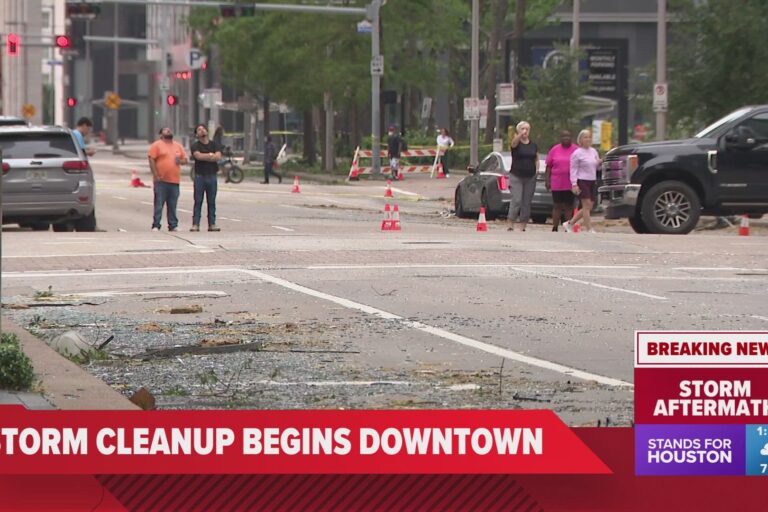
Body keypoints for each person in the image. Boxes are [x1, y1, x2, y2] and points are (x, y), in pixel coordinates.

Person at [148, 127, 188, 232]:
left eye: (170, 129)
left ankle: (173, 225)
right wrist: (155, 174)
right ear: (161, 134)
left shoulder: (178, 146)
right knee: (159, 204)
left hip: (174, 180)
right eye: (165, 130)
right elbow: (151, 158)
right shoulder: (157, 145)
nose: (169, 131)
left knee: (173, 204)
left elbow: (185, 159)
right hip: (161, 180)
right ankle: (156, 225)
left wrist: (181, 161)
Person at [563, 129, 601, 233]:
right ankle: (589, 228)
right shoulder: (577, 153)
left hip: (592, 180)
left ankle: (569, 223)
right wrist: (574, 184)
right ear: (581, 139)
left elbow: (596, 166)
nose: (588, 139)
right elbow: (573, 169)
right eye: (585, 137)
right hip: (582, 180)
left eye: (589, 137)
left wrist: (599, 163)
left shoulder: (593, 151)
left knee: (589, 206)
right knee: (586, 204)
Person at [506, 121, 539, 232]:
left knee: (526, 201)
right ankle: (511, 222)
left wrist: (537, 170)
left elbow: (536, 158)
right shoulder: (516, 143)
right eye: (523, 129)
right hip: (516, 175)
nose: (525, 131)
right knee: (517, 199)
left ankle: (523, 224)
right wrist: (519, 135)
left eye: (527, 129)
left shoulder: (533, 145)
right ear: (518, 130)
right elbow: (513, 143)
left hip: (530, 176)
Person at [190, 123, 223, 232]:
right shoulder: (195, 145)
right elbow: (198, 156)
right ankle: (195, 224)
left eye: (203, 129)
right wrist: (210, 155)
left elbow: (218, 156)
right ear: (196, 134)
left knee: (212, 201)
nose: (202, 131)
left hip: (212, 175)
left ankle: (212, 224)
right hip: (200, 176)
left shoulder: (214, 144)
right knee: (198, 201)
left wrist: (207, 156)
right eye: (199, 130)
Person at [544, 130, 578, 232]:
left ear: (571, 138)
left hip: (570, 182)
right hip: (557, 182)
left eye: (568, 136)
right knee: (557, 205)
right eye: (564, 136)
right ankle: (555, 226)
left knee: (569, 205)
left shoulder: (576, 150)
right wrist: (547, 180)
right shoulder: (555, 150)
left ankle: (568, 226)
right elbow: (548, 166)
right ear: (560, 138)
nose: (566, 138)